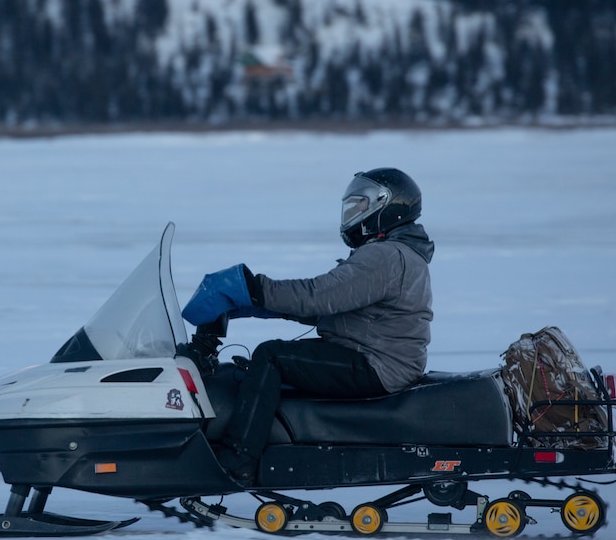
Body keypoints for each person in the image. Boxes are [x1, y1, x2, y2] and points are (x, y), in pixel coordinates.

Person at [182, 168, 435, 484]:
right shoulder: (399, 254)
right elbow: (337, 309)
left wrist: (254, 287)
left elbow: (321, 297)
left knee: (271, 357)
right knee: (272, 361)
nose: (353, 214)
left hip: (377, 365)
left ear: (384, 207)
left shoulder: (385, 256)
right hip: (375, 356)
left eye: (359, 206)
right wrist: (250, 304)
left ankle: (238, 460)